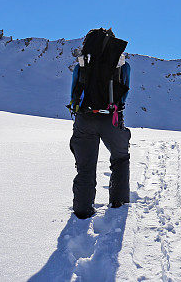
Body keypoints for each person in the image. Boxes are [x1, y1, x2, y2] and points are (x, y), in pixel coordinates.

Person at [68, 28, 132, 219]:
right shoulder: (121, 65)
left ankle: (82, 210)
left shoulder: (83, 63)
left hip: (84, 119)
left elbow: (74, 91)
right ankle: (118, 205)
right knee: (120, 159)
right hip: (111, 119)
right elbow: (125, 92)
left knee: (85, 166)